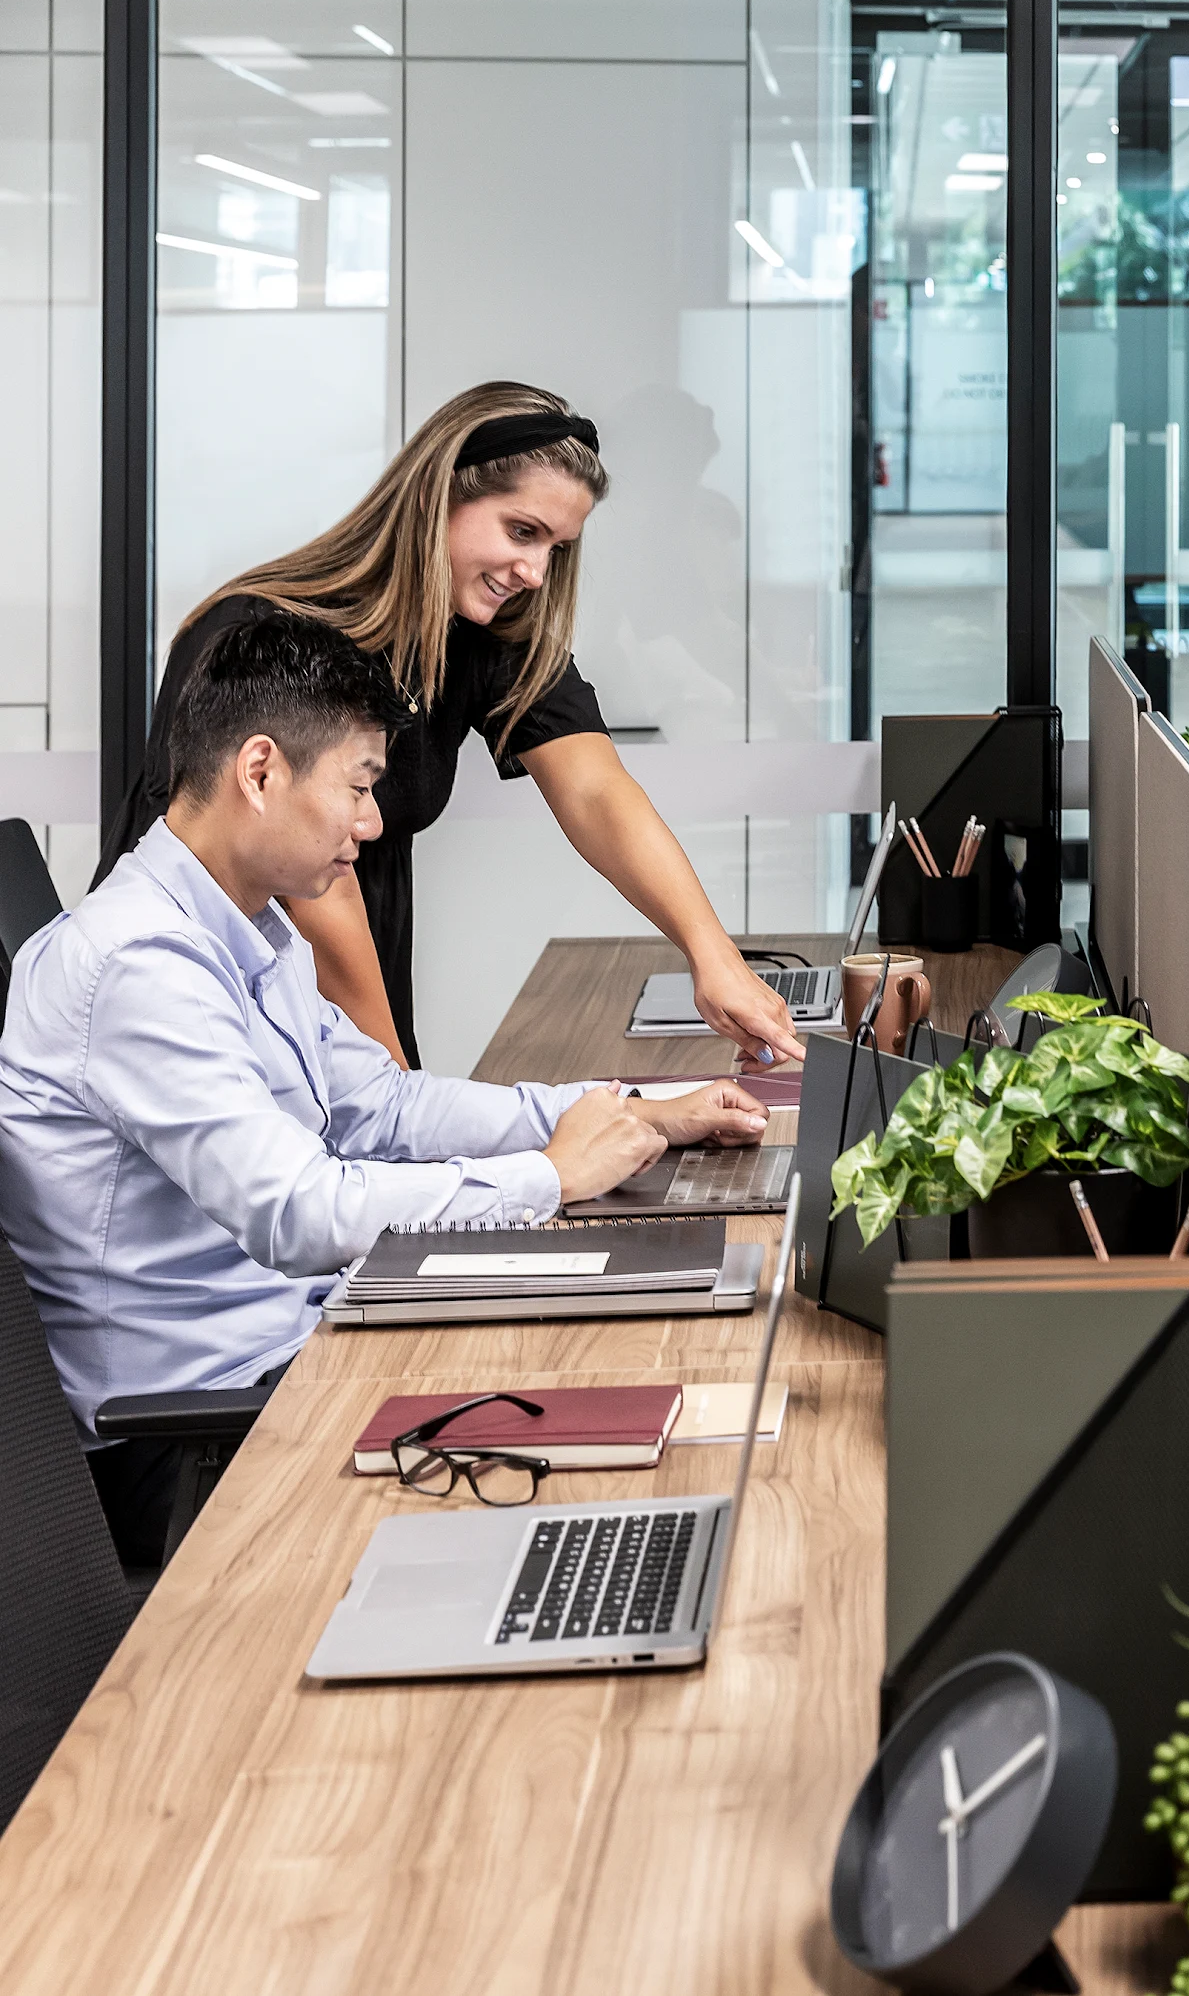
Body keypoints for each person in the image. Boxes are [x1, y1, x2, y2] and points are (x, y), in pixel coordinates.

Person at [1, 614, 764, 1563]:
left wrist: (623, 1113)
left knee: (624, 1354)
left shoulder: (249, 932)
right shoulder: (137, 966)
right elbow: (297, 1211)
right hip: (198, 1436)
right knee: (586, 1410)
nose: (372, 824)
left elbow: (382, 1107)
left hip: (294, 1351)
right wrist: (548, 1178)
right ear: (260, 771)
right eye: (359, 788)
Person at [98, 379, 805, 1072]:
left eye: (553, 548)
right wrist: (402, 1097)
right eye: (521, 531)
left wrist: (712, 956)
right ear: (440, 495)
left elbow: (595, 790)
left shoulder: (480, 632)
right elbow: (316, 897)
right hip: (216, 1010)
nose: (534, 571)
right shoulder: (265, 637)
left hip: (354, 987)